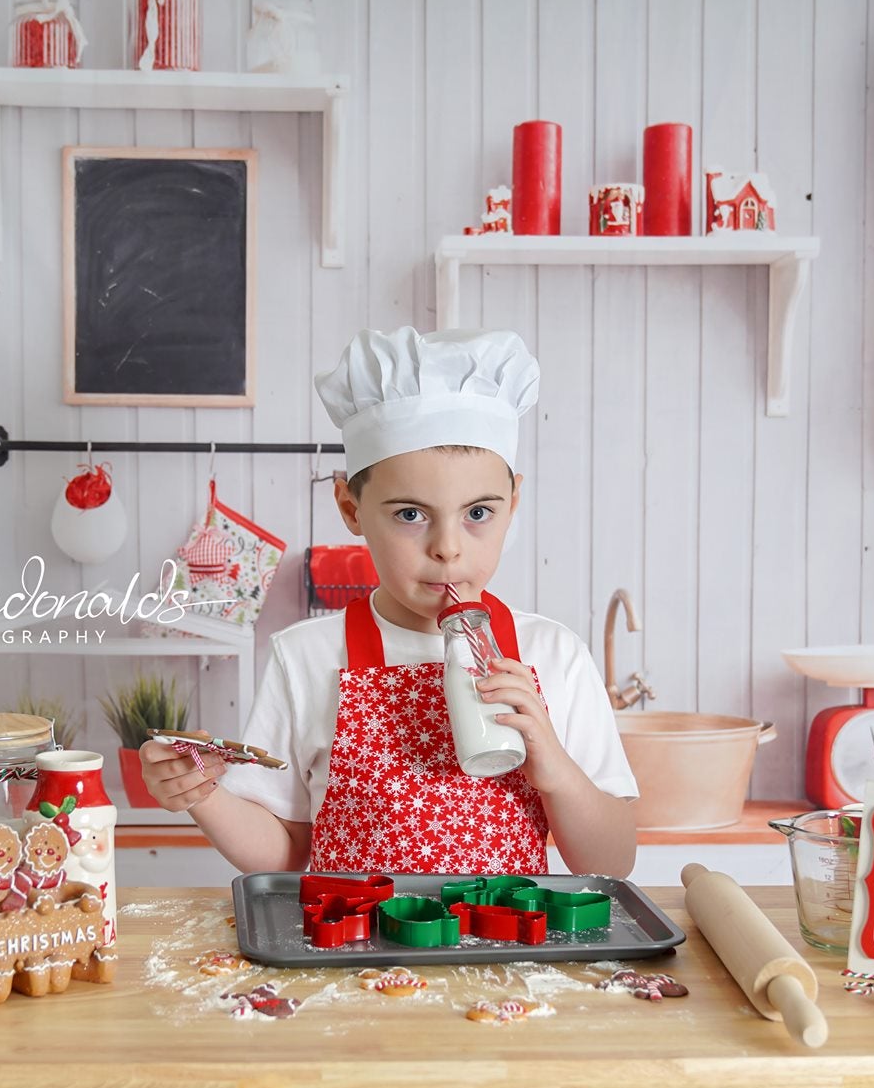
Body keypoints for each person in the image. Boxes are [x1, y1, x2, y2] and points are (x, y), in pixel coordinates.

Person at [140, 326, 639, 876]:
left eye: (478, 513)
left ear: (513, 502)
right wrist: (202, 795)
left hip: (509, 959)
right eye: (410, 515)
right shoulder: (306, 657)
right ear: (350, 507)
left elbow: (611, 863)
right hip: (356, 960)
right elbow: (285, 854)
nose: (447, 549)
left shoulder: (556, 656)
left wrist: (554, 767)